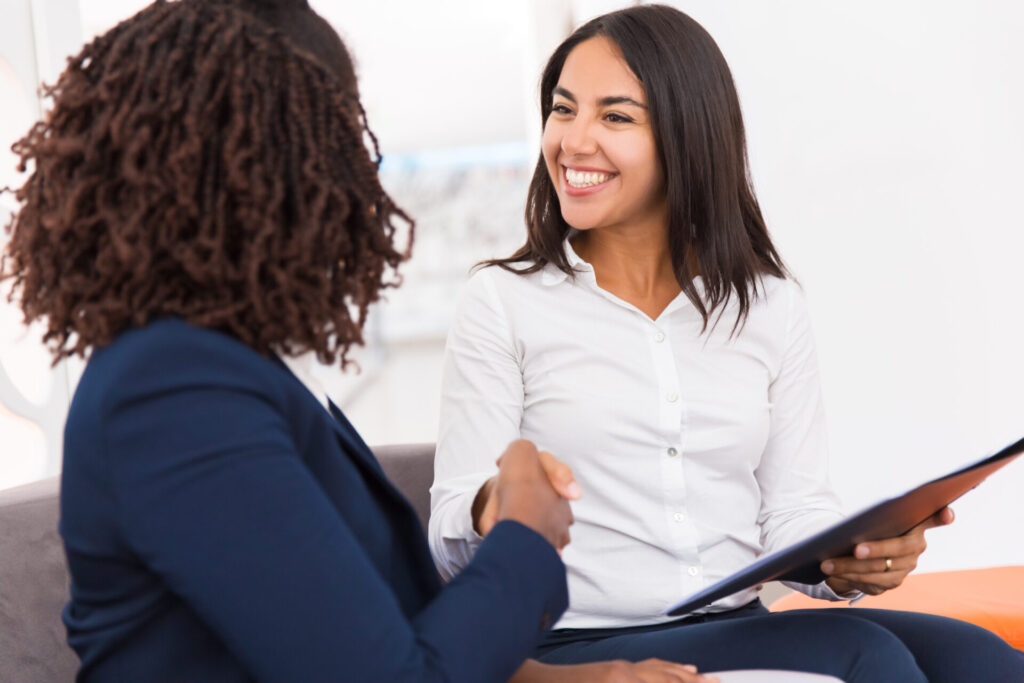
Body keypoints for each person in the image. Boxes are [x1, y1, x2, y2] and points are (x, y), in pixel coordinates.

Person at [0, 0, 715, 680]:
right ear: (265, 159)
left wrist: (588, 677)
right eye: (335, 133)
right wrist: (526, 533)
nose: (351, 175)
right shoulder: (171, 392)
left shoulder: (229, 369)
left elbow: (368, 635)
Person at [429, 5, 1024, 682]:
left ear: (688, 137)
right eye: (563, 110)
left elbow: (795, 508)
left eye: (615, 117)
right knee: (868, 658)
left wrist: (848, 561)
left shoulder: (769, 304)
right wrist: (493, 506)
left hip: (736, 621)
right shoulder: (503, 302)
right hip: (579, 640)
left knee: (985, 659)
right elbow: (448, 535)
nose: (573, 139)